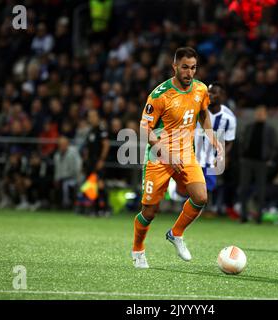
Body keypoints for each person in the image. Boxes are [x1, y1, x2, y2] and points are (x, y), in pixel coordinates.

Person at [131, 47, 221, 268]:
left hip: (185, 154)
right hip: (158, 156)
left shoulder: (200, 89)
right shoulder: (160, 94)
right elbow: (145, 129)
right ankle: (138, 249)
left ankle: (176, 233)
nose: (189, 73)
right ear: (175, 67)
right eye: (185, 68)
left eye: (193, 68)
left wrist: (212, 137)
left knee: (201, 197)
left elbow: (203, 114)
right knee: (149, 212)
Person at [193, 82, 237, 216]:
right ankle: (190, 209)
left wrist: (222, 156)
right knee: (192, 185)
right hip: (193, 156)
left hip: (211, 158)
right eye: (209, 92)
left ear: (222, 96)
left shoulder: (228, 118)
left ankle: (208, 209)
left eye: (214, 93)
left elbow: (229, 141)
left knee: (209, 186)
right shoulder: (197, 110)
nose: (210, 95)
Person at [239, 105, 276, 223]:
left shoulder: (270, 129)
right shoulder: (249, 127)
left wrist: (269, 158)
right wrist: (242, 155)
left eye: (262, 113)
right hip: (247, 161)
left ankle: (258, 217)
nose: (260, 115)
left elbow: (273, 146)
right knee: (244, 188)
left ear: (266, 115)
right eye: (258, 113)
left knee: (261, 190)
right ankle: (243, 216)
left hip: (262, 162)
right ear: (255, 114)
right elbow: (243, 141)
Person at [81, 109, 110, 216]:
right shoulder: (91, 131)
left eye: (93, 116)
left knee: (100, 184)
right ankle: (96, 209)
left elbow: (106, 145)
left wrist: (101, 160)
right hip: (91, 162)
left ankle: (106, 208)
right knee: (92, 186)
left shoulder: (101, 129)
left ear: (98, 117)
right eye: (89, 116)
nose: (91, 118)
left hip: (98, 161)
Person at [53, 136, 82, 209]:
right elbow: (57, 169)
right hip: (62, 178)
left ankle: (69, 205)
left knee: (66, 184)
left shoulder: (73, 153)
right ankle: (59, 205)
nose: (61, 146)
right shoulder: (57, 155)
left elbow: (77, 167)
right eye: (60, 144)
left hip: (73, 177)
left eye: (63, 144)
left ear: (67, 144)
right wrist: (56, 179)